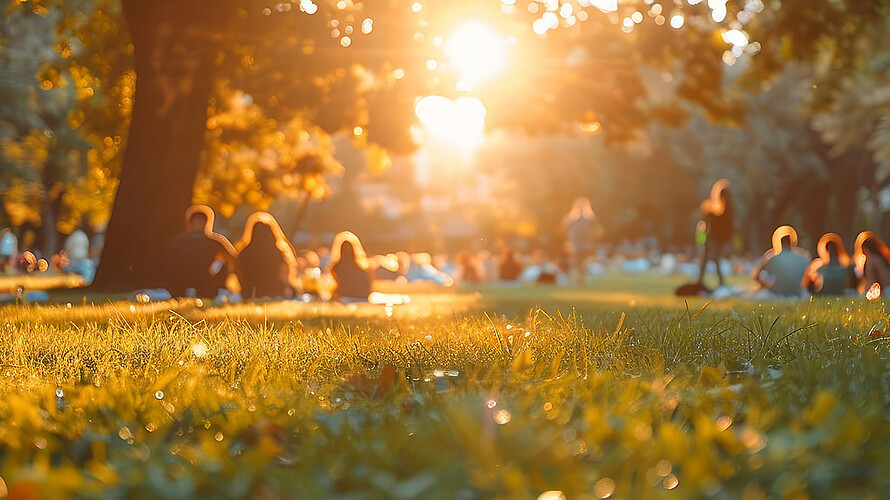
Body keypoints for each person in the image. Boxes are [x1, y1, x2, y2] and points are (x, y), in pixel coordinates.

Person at [165, 205, 238, 297]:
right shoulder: (179, 242)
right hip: (186, 282)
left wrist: (217, 267)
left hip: (206, 283)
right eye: (197, 221)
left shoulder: (214, 241)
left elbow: (232, 258)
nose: (199, 224)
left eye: (201, 221)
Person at [235, 212, 299, 299]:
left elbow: (238, 273)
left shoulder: (244, 252)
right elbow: (285, 274)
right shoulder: (278, 252)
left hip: (250, 294)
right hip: (274, 293)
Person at [750, 225, 811, 297]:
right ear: (792, 241)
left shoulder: (773, 259)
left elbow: (755, 276)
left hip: (777, 293)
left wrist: (764, 285)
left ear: (779, 242)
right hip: (797, 293)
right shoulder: (803, 258)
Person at [697, 179, 733, 289]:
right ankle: (717, 282)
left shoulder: (721, 209)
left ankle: (703, 280)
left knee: (710, 259)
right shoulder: (726, 207)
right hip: (715, 237)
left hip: (714, 237)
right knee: (713, 259)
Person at [562, 196, 601, 284]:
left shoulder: (590, 219)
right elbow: (566, 229)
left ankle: (581, 278)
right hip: (575, 243)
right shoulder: (571, 219)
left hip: (585, 243)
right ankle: (576, 278)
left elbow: (596, 231)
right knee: (576, 262)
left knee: (582, 262)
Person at [330, 231, 373, 301]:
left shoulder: (337, 267)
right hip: (362, 298)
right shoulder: (362, 267)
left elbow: (334, 285)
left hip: (344, 298)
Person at [853, 231, 890, 296]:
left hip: (883, 292)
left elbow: (872, 280)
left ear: (865, 249)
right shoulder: (879, 258)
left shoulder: (872, 260)